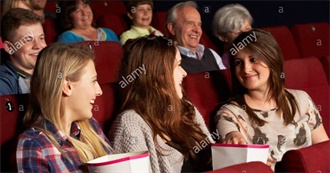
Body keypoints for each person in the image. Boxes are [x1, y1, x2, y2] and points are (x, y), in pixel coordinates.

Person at [215, 29, 329, 170]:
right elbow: (231, 137)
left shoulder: (301, 99)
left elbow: (324, 151)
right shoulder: (229, 113)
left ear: (271, 59)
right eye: (239, 63)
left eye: (253, 59)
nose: (246, 69)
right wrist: (233, 136)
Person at [109, 35, 214, 172]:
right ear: (157, 74)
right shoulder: (130, 123)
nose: (184, 73)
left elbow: (214, 157)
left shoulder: (186, 108)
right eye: (177, 66)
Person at [16, 43, 114, 172]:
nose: (99, 91)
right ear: (67, 86)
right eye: (93, 81)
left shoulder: (91, 127)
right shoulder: (34, 145)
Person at [165, 1, 226, 74]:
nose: (197, 30)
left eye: (199, 25)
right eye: (190, 23)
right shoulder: (166, 60)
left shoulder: (212, 54)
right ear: (172, 28)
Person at [0, 8, 46, 95]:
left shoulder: (53, 72)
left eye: (41, 38)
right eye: (27, 40)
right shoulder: (3, 83)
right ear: (9, 47)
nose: (38, 46)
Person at [212, 3, 253, 68]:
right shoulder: (226, 62)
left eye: (247, 29)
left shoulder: (262, 43)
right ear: (224, 37)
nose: (245, 36)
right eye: (238, 33)